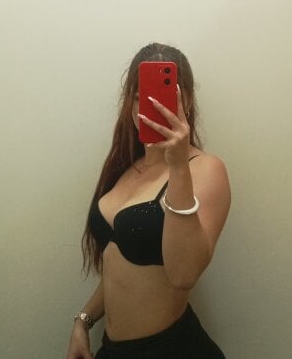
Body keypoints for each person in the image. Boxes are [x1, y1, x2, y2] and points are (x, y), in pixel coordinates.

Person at [66, 43, 231, 359]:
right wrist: (83, 321)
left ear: (187, 101)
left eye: (162, 98)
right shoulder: (125, 168)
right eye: (139, 98)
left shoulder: (205, 169)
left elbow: (184, 275)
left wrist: (178, 165)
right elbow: (119, 264)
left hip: (172, 350)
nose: (149, 108)